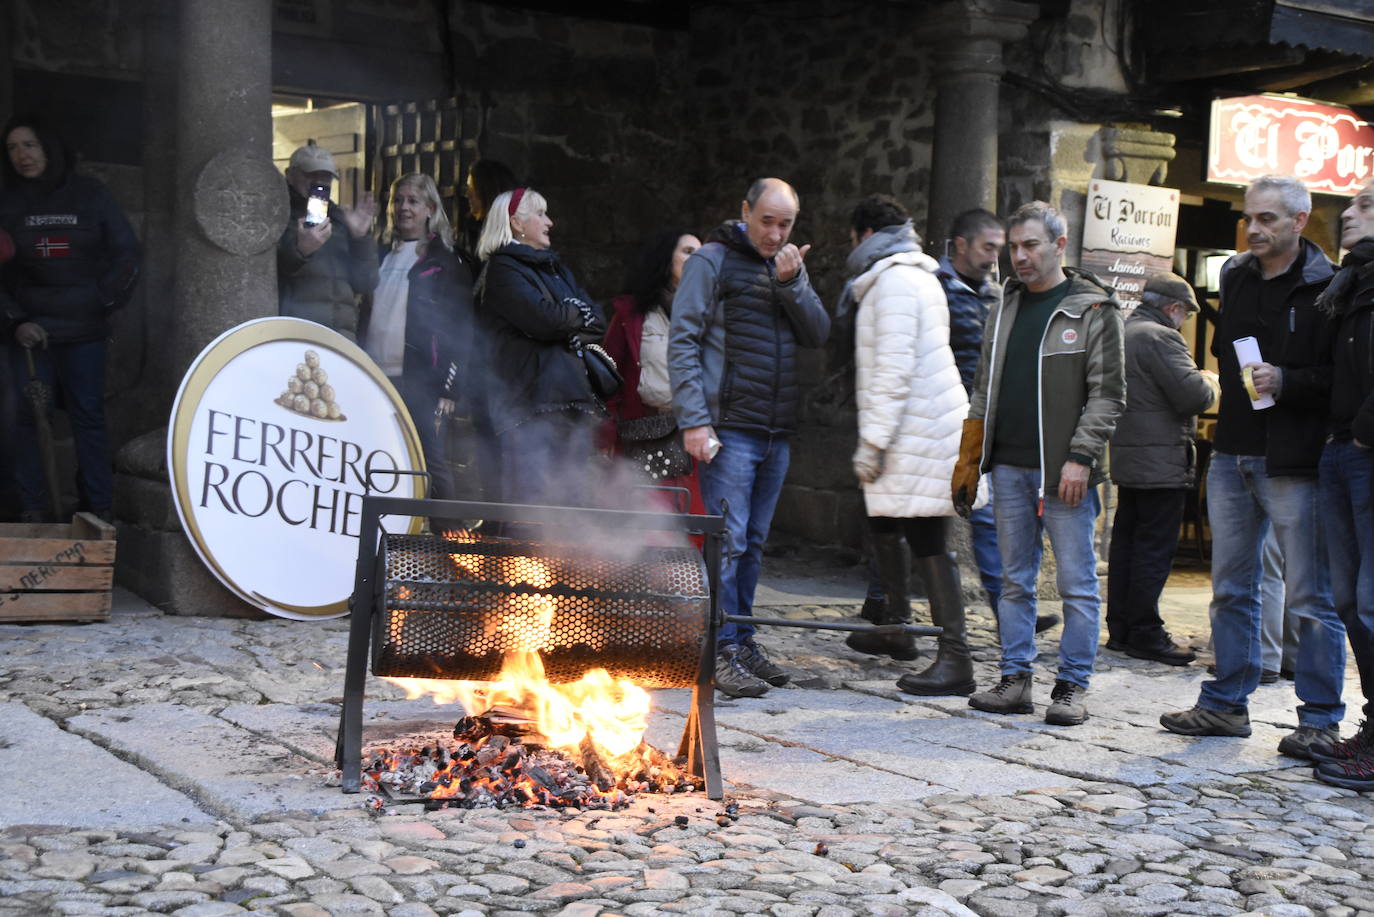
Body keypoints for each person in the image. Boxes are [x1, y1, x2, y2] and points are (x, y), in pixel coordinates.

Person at [1160, 175, 1346, 760]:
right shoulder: (1235, 275)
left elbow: (1342, 379)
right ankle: (1225, 705)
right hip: (1234, 451)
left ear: (1299, 220)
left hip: (1292, 458)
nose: (1255, 229)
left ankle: (1319, 720)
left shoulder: (1328, 285)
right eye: (1250, 218)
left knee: (1310, 597)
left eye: (1268, 218)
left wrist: (1288, 381)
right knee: (1232, 588)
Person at [953, 201, 1125, 727]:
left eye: (1031, 245)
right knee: (1014, 580)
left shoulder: (1093, 308)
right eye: (1013, 246)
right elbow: (985, 387)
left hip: (1064, 471)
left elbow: (1108, 395)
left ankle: (1071, 686)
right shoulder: (1004, 305)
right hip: (1007, 465)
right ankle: (1015, 678)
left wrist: (1079, 458)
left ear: (1059, 245)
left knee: (1076, 583)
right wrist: (970, 455)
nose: (1019, 257)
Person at [670, 177, 830, 698]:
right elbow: (684, 341)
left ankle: (740, 640)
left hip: (774, 429)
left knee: (754, 545)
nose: (775, 233)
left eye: (785, 224)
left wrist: (794, 284)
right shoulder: (711, 261)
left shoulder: (786, 265)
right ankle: (715, 650)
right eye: (767, 221)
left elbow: (819, 333)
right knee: (729, 544)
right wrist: (694, 420)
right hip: (729, 428)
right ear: (745, 212)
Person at [841, 194, 978, 696]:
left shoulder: (896, 281)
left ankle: (956, 658)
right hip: (919, 427)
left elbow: (893, 372)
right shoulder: (911, 275)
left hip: (915, 430)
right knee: (882, 519)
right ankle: (897, 627)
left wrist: (872, 443)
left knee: (927, 538)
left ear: (866, 234)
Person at [0, 115, 140, 523]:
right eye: (12, 148)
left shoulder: (91, 196)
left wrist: (102, 301)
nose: (21, 156)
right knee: (27, 418)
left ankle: (98, 507)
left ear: (49, 147)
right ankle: (33, 508)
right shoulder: (6, 202)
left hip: (85, 333)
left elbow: (127, 254)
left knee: (89, 418)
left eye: (29, 145)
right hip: (30, 334)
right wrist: (15, 321)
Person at [936, 209, 1058, 637]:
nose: (997, 257)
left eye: (1000, 248)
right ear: (961, 245)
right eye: (990, 247)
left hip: (980, 423)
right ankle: (885, 602)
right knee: (910, 519)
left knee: (988, 521)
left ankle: (1009, 613)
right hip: (939, 417)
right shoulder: (936, 291)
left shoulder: (996, 297)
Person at [1104, 272, 1218, 665]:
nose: (1184, 321)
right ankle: (1146, 633)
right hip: (1161, 462)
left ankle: (1120, 628)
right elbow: (1194, 396)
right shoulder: (1161, 337)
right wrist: (1210, 380)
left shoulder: (1122, 331)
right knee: (1153, 549)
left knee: (1127, 545)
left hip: (1128, 457)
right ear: (1174, 308)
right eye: (1185, 314)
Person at [476, 187, 607, 508]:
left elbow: (599, 321)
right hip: (528, 404)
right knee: (532, 505)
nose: (550, 222)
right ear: (516, 223)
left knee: (569, 503)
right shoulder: (503, 270)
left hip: (569, 399)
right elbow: (546, 321)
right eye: (540, 213)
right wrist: (572, 315)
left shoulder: (556, 269)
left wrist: (566, 318)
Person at [1309, 178, 1374, 790]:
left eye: (1365, 205)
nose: (1347, 213)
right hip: (1341, 451)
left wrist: (1363, 432)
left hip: (1364, 452)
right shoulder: (1351, 283)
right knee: (1350, 599)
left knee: (1372, 601)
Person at [362, 173, 475, 503]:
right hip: (377, 376)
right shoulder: (380, 256)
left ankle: (450, 545)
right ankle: (386, 538)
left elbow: (461, 329)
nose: (403, 208)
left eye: (412, 201)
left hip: (422, 380)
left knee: (430, 460)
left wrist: (450, 388)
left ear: (430, 208)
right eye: (397, 200)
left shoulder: (446, 261)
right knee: (378, 458)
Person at [602, 227, 706, 516]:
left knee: (689, 528)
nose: (696, 260)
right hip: (641, 438)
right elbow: (607, 379)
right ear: (665, 259)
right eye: (688, 252)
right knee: (642, 529)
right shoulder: (630, 316)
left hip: (692, 443)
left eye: (701, 255)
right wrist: (605, 437)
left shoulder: (708, 315)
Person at [277, 142, 379, 340]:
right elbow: (267, 275)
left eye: (325, 176)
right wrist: (300, 250)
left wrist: (360, 238)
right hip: (296, 335)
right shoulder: (279, 215)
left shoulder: (341, 219)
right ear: (290, 174)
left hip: (341, 338)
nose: (318, 181)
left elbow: (366, 283)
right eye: (310, 174)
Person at [462, 159, 518, 256]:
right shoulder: (472, 227)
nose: (467, 194)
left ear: (488, 191)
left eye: (473, 188)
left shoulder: (514, 233)